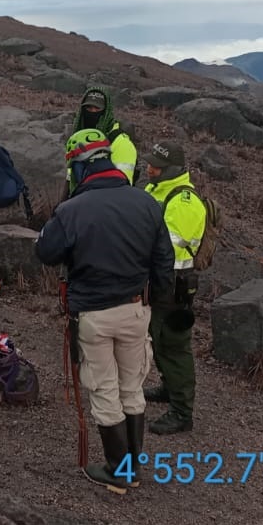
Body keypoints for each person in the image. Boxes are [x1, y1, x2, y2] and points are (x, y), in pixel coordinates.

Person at [36, 129, 176, 494]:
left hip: (93, 315)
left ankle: (119, 471)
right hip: (136, 310)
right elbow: (164, 261)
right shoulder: (147, 203)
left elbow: (46, 252)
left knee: (104, 390)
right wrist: (158, 304)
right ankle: (132, 468)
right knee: (132, 388)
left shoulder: (71, 210)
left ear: (79, 167)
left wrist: (63, 209)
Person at [141, 140, 207, 435]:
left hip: (173, 284)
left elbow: (168, 246)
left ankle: (182, 412)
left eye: (156, 165)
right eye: (150, 163)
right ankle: (169, 388)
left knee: (173, 346)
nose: (149, 168)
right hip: (159, 280)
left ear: (173, 169)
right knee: (159, 341)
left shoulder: (184, 202)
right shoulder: (157, 190)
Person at [68, 86, 137, 192]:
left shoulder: (120, 142)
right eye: (88, 108)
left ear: (106, 111)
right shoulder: (77, 139)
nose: (92, 112)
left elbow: (122, 187)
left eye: (97, 109)